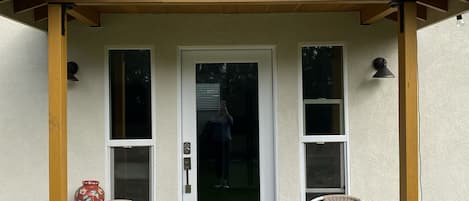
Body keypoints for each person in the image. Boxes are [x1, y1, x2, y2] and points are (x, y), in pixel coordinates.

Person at [211, 100, 233, 189]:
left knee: (226, 161)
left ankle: (226, 181)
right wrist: (219, 113)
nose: (222, 107)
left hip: (226, 141)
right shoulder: (217, 116)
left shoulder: (228, 117)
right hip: (218, 141)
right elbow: (212, 121)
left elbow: (232, 122)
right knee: (219, 161)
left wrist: (226, 113)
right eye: (221, 106)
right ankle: (219, 181)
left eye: (224, 106)